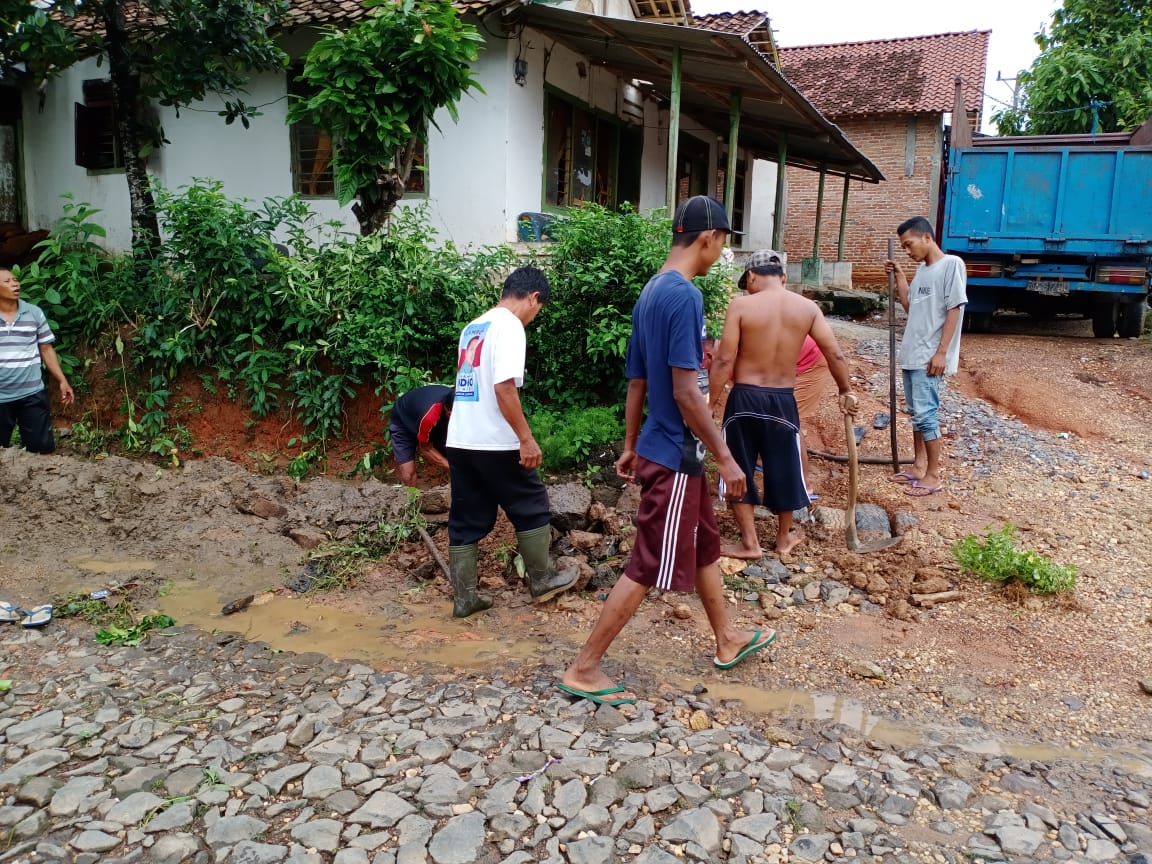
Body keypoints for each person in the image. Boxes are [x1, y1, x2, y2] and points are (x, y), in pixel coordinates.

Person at [559, 196, 773, 707]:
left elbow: (636, 380)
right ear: (708, 238)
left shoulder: (651, 292)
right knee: (648, 562)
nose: (720, 255)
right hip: (676, 454)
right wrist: (724, 454)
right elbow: (684, 391)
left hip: (665, 448)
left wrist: (630, 443)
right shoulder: (683, 296)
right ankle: (584, 667)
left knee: (702, 543)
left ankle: (727, 639)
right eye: (722, 245)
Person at [444, 265, 577, 618]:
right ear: (533, 297)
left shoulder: (474, 326)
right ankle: (542, 579)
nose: (535, 315)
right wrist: (526, 438)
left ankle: (465, 599)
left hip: (460, 437)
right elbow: (503, 386)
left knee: (466, 517)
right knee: (531, 502)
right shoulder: (510, 326)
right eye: (539, 307)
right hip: (493, 440)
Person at [708, 249, 854, 559]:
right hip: (782, 402)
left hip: (745, 399)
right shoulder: (808, 308)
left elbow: (723, 359)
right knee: (785, 467)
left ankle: (749, 543)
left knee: (738, 467)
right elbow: (835, 354)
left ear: (752, 276)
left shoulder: (741, 306)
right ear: (784, 277)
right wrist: (845, 390)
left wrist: (710, 402)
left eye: (746, 282)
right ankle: (784, 538)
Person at [885, 216, 967, 497]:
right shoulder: (922, 270)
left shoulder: (951, 264)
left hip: (929, 357)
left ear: (927, 238)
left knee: (926, 415)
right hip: (912, 353)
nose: (907, 251)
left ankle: (933, 475)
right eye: (903, 247)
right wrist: (900, 277)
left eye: (909, 245)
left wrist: (941, 352)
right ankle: (919, 467)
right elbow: (911, 306)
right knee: (916, 415)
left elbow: (955, 308)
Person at [0, 269, 74, 453]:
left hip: (32, 394)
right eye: (7, 281)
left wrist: (62, 380)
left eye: (15, 280)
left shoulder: (34, 313)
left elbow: (46, 348)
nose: (15, 284)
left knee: (41, 451)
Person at [388, 384, 453, 487]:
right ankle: (413, 501)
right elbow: (425, 448)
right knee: (408, 474)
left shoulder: (461, 409)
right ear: (448, 412)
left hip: (430, 420)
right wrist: (453, 468)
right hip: (403, 423)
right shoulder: (430, 416)